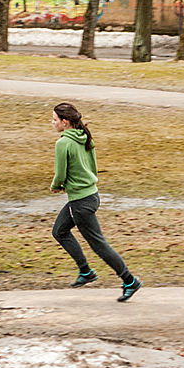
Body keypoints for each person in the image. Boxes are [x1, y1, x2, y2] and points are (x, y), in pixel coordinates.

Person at [50, 102, 143, 302]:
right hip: (91, 195)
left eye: (55, 120)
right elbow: (92, 166)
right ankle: (85, 271)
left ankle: (129, 280)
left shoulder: (63, 143)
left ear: (65, 122)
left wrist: (56, 185)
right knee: (59, 231)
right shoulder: (85, 136)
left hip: (80, 201)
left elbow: (60, 173)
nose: (52, 123)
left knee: (98, 244)